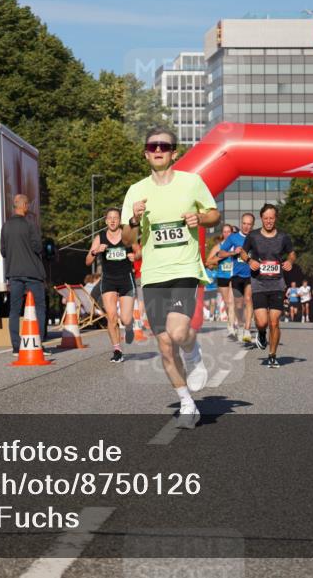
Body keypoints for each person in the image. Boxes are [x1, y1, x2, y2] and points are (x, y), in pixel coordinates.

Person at [122, 127, 220, 429]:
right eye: (152, 146)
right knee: (164, 344)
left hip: (184, 269)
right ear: (145, 153)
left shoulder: (192, 182)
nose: (158, 150)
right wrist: (134, 220)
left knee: (178, 333)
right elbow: (127, 239)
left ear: (174, 153)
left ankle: (193, 352)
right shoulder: (136, 191)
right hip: (153, 274)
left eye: (164, 146)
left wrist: (199, 218)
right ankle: (187, 402)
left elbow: (214, 214)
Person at [241, 204, 295, 367]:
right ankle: (261, 333)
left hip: (277, 283)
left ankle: (272, 355)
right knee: (262, 322)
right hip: (259, 283)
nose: (269, 221)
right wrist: (249, 260)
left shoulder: (283, 237)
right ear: (261, 218)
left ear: (275, 218)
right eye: (266, 218)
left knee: (274, 322)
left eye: (272, 218)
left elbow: (292, 253)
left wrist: (290, 261)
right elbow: (242, 252)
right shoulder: (253, 236)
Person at [86, 207, 141, 363]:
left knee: (125, 319)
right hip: (109, 280)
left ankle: (129, 327)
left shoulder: (127, 236)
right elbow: (88, 261)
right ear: (105, 221)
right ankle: (117, 350)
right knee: (111, 316)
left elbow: (139, 252)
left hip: (126, 280)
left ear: (119, 220)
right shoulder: (100, 237)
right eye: (109, 218)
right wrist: (95, 251)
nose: (112, 220)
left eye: (115, 218)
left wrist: (135, 256)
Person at [1, 194, 48, 355]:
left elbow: (3, 251)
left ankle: (16, 346)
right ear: (25, 205)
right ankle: (38, 343)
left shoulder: (6, 226)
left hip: (14, 273)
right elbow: (38, 247)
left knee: (14, 310)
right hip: (32, 273)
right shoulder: (30, 225)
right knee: (39, 307)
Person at [218, 213, 256, 346]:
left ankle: (247, 330)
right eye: (244, 223)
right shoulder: (233, 238)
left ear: (253, 225)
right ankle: (240, 324)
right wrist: (233, 252)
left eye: (249, 224)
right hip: (236, 275)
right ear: (241, 223)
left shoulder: (256, 237)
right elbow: (220, 253)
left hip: (251, 275)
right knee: (239, 305)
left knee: (248, 299)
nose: (246, 226)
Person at [206, 224, 236, 338]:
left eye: (229, 232)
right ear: (222, 233)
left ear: (232, 233)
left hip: (234, 276)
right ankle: (230, 323)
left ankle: (232, 326)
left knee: (232, 301)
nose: (227, 234)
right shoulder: (218, 246)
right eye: (225, 232)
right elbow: (208, 262)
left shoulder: (236, 245)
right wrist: (222, 256)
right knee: (227, 302)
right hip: (222, 276)